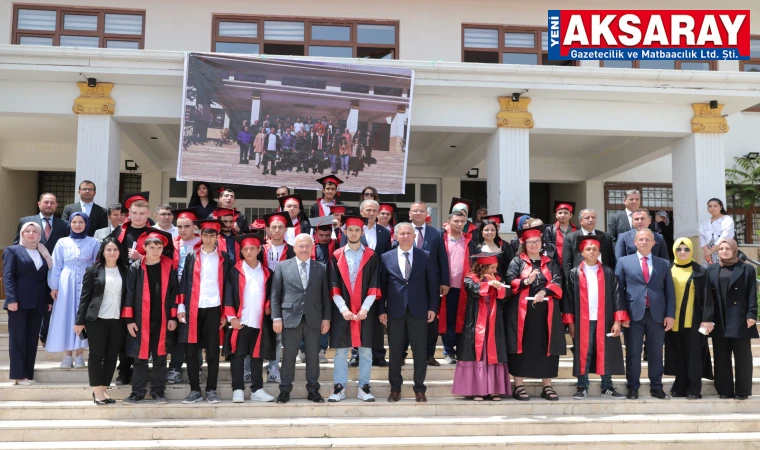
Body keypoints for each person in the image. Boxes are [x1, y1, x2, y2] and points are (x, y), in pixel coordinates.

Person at [562, 235, 628, 400]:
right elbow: (568, 299)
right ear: (582, 252)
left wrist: (617, 321)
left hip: (604, 320)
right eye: (588, 249)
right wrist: (570, 323)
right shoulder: (574, 273)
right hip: (582, 320)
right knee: (584, 353)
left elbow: (617, 297)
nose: (592, 252)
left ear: (599, 252)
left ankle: (607, 386)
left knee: (606, 352)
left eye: (595, 249)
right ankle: (582, 386)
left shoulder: (607, 272)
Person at [379, 222, 439, 403]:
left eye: (408, 233)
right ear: (395, 236)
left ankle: (419, 389)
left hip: (419, 310)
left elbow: (432, 284)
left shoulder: (425, 256)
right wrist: (381, 309)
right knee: (395, 353)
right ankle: (395, 388)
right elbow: (381, 286)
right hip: (395, 311)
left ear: (414, 236)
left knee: (420, 352)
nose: (405, 236)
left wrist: (432, 308)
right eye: (402, 233)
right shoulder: (385, 257)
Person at [505, 225, 565, 401]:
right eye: (530, 242)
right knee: (521, 345)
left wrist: (543, 292)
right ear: (524, 244)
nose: (533, 245)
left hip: (546, 312)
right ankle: (519, 386)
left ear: (541, 243)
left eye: (537, 241)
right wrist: (526, 280)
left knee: (547, 345)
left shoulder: (550, 261)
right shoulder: (517, 261)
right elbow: (510, 281)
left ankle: (547, 386)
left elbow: (557, 281)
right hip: (521, 313)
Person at [270, 234, 332, 404]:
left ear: (312, 249)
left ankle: (313, 390)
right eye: (301, 246)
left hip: (314, 318)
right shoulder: (282, 266)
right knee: (289, 356)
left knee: (313, 357)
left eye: (307, 246)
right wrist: (276, 318)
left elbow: (326, 296)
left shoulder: (321, 267)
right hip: (290, 318)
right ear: (294, 248)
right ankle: (284, 390)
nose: (304, 249)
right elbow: (275, 295)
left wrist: (326, 319)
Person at [615, 229, 675, 400]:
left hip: (657, 315)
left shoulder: (663, 263)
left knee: (656, 352)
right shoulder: (624, 262)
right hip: (633, 315)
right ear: (635, 242)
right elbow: (618, 290)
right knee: (633, 353)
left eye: (648, 239)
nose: (644, 242)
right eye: (641, 239)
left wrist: (670, 315)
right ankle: (633, 387)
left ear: (654, 243)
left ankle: (656, 387)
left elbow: (669, 291)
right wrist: (621, 315)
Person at [121, 230, 178, 405]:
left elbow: (175, 293)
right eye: (152, 247)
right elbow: (129, 293)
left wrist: (173, 317)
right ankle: (137, 392)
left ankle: (158, 392)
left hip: (162, 319)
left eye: (159, 247)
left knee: (160, 358)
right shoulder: (136, 267)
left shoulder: (169, 266)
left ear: (163, 249)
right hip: (140, 319)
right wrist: (129, 320)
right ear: (144, 248)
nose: (155, 251)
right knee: (140, 357)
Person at [328, 216, 381, 402]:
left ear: (362, 232)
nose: (353, 233)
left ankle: (364, 388)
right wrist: (343, 309)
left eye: (357, 230)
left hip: (366, 310)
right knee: (341, 351)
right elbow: (333, 286)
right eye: (350, 230)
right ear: (344, 232)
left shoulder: (372, 256)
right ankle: (339, 387)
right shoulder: (336, 255)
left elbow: (374, 285)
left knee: (366, 350)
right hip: (342, 310)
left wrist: (365, 309)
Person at [176, 219, 230, 404]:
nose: (208, 239)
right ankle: (194, 390)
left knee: (213, 351)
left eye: (212, 235)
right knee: (191, 350)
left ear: (217, 237)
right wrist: (181, 306)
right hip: (193, 307)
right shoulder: (192, 255)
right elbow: (184, 282)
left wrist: (225, 313)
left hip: (215, 307)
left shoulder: (224, 257)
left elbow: (228, 286)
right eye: (205, 235)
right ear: (201, 235)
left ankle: (212, 389)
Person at [224, 231, 277, 403]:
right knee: (238, 355)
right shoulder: (234, 271)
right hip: (241, 319)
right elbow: (228, 294)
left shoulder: (267, 272)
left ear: (259, 249)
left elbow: (271, 294)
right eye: (245, 249)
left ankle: (257, 389)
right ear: (241, 251)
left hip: (260, 320)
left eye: (252, 249)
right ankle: (237, 388)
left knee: (257, 356)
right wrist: (231, 316)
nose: (249, 252)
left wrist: (269, 305)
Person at [75, 238, 128, 404]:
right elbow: (84, 297)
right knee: (97, 355)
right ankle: (97, 391)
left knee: (112, 356)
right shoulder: (93, 270)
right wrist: (79, 321)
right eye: (108, 250)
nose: (112, 253)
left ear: (120, 252)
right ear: (103, 252)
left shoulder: (126, 270)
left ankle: (104, 389)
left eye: (115, 250)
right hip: (96, 319)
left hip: (118, 319)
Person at [451, 252, 511, 401]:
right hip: (476, 322)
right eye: (490, 267)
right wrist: (488, 284)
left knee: (493, 353)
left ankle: (493, 390)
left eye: (495, 267)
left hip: (494, 323)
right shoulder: (470, 278)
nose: (493, 271)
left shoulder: (498, 278)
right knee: (477, 354)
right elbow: (474, 290)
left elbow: (506, 294)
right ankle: (477, 390)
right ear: (482, 267)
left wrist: (500, 287)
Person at [705, 239, 758, 400]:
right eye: (721, 248)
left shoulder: (747, 268)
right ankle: (725, 390)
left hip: (739, 318)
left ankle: (742, 391)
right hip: (719, 318)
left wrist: (751, 314)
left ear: (734, 250)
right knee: (721, 356)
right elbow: (708, 297)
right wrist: (707, 318)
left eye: (728, 248)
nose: (724, 251)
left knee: (742, 357)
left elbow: (752, 293)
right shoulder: (711, 269)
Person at [47, 212, 100, 368]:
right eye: (74, 222)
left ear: (86, 224)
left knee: (82, 317)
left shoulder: (94, 242)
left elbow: (97, 264)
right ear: (69, 224)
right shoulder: (62, 242)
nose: (77, 225)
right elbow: (56, 265)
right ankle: (67, 355)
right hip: (66, 284)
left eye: (81, 222)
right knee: (67, 316)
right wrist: (54, 286)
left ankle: (80, 355)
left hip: (86, 283)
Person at [13, 193, 67, 347]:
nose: (48, 205)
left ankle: (45, 335)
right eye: (46, 202)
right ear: (39, 204)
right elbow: (17, 244)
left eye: (52, 203)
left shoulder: (64, 224)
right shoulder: (26, 221)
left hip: (53, 271)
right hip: (31, 272)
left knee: (50, 304)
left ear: (57, 205)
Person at [664, 238, 714, 399]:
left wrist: (707, 319)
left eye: (686, 249)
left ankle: (694, 389)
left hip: (693, 321)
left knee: (694, 355)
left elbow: (707, 296)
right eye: (679, 249)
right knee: (678, 355)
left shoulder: (700, 270)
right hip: (673, 320)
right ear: (674, 251)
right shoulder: (668, 269)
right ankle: (679, 387)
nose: (683, 252)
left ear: (692, 251)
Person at [3, 222, 52, 386]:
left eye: (34, 231)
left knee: (31, 339)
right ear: (22, 234)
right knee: (18, 339)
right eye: (27, 231)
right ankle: (18, 374)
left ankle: (27, 374)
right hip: (19, 302)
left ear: (40, 234)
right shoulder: (13, 250)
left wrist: (48, 300)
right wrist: (11, 299)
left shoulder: (43, 252)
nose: (31, 234)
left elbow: (46, 279)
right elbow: (8, 277)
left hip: (38, 302)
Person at [408, 201, 449, 367]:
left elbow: (442, 258)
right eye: (415, 211)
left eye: (421, 211)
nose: (418, 214)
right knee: (406, 319)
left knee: (431, 320)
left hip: (431, 283)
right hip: (408, 282)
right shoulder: (403, 231)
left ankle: (429, 354)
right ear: (409, 214)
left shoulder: (436, 234)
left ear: (427, 214)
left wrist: (445, 281)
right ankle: (403, 353)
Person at [165, 208, 202, 385]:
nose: (182, 230)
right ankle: (175, 367)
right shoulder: (173, 243)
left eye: (186, 226)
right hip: (174, 290)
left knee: (196, 330)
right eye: (179, 226)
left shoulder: (203, 243)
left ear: (194, 226)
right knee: (178, 331)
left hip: (196, 292)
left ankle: (197, 366)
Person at [260, 212, 295, 384]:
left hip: (284, 296)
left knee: (279, 334)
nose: (277, 230)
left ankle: (274, 366)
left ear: (285, 229)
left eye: (280, 227)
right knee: (259, 331)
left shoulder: (292, 250)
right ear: (267, 229)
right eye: (273, 227)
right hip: (260, 295)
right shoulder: (260, 249)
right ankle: (250, 366)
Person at [439, 210, 473, 365]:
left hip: (465, 287)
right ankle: (448, 351)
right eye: (456, 221)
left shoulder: (469, 241)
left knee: (463, 320)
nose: (459, 224)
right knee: (448, 319)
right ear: (449, 222)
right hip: (447, 287)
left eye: (462, 221)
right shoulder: (442, 239)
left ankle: (461, 350)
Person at [562, 208, 616, 278]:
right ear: (581, 221)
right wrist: (570, 279)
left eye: (593, 217)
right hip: (580, 277)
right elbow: (567, 263)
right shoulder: (570, 238)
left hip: (601, 276)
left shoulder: (605, 236)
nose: (591, 220)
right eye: (587, 218)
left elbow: (610, 259)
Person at [699, 198, 735, 265]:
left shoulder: (727, 219)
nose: (712, 208)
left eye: (715, 206)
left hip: (723, 251)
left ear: (721, 207)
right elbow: (702, 239)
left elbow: (725, 236)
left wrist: (711, 250)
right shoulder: (705, 223)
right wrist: (707, 252)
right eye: (710, 206)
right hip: (709, 255)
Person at [543, 201, 577, 268]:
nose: (562, 215)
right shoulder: (550, 230)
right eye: (560, 213)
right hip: (555, 264)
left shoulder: (577, 230)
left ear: (570, 215)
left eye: (565, 213)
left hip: (573, 264)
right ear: (556, 215)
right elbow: (548, 249)